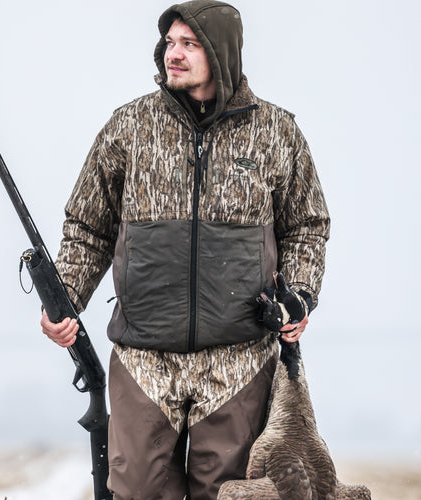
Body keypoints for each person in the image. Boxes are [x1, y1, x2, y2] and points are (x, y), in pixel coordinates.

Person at [41, 1, 330, 498]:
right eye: (169, 43)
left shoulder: (277, 133)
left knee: (228, 494)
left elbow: (306, 225)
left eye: (188, 44)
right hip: (143, 360)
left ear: (221, 53)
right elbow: (88, 225)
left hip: (238, 360)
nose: (172, 54)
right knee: (137, 492)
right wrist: (65, 296)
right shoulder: (128, 128)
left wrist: (299, 295)